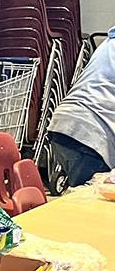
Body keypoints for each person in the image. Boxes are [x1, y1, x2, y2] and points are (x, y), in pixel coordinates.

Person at [48, 32, 115, 188]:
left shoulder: (108, 44)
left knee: (84, 200)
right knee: (94, 203)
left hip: (64, 124)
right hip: (89, 133)